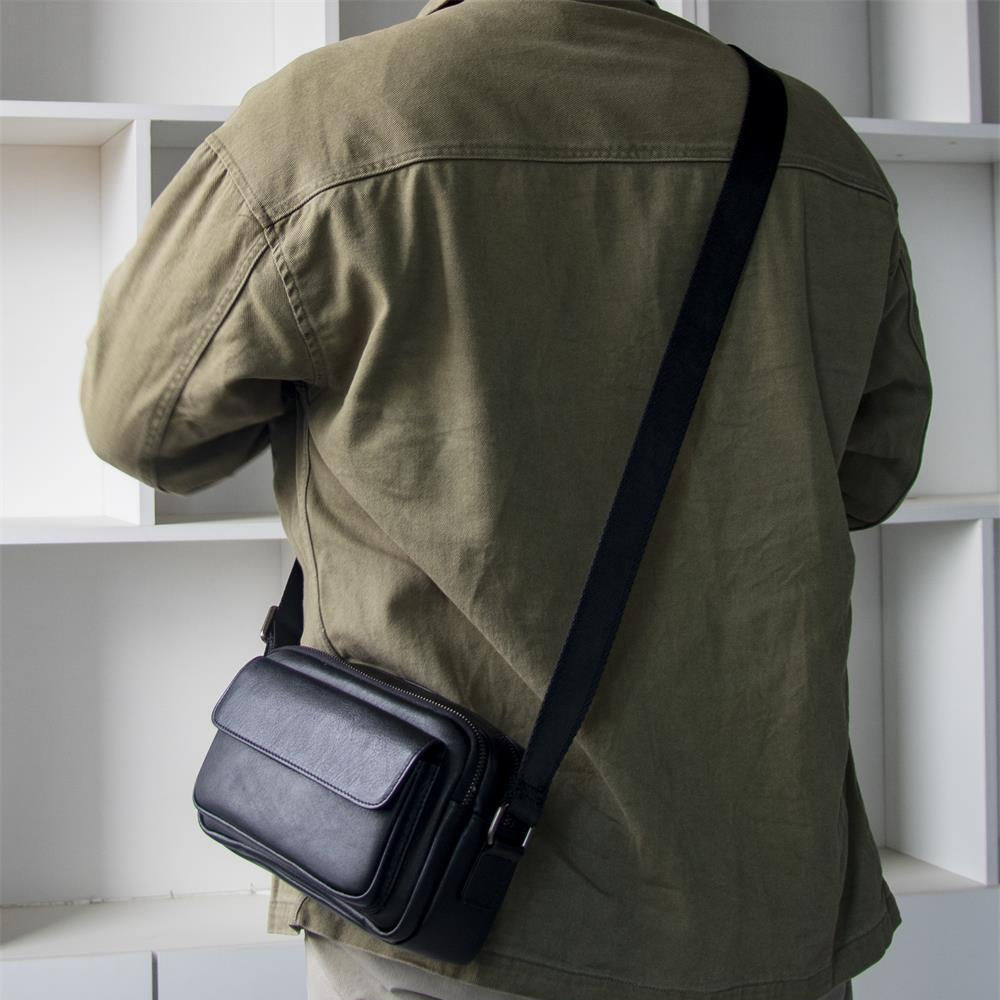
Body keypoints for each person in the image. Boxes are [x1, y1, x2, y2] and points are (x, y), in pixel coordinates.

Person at [78, 0, 933, 998]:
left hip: (443, 895)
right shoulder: (817, 148)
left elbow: (139, 425)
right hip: (761, 904)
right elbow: (871, 473)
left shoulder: (328, 124)